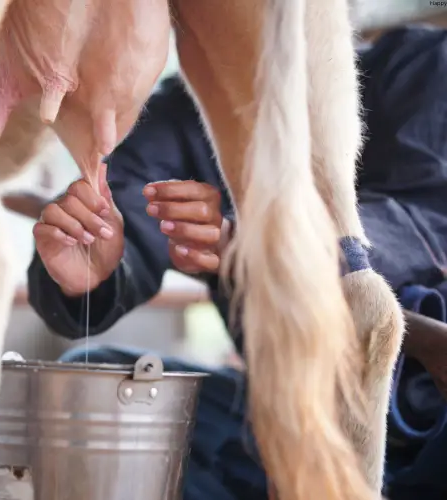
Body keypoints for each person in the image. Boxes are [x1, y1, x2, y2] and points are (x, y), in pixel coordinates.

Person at [26, 26, 447, 500]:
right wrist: (85, 259)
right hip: (284, 422)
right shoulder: (182, 116)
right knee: (95, 381)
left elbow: (424, 221)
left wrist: (262, 245)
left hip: (432, 418)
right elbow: (120, 208)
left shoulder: (426, 67)